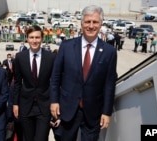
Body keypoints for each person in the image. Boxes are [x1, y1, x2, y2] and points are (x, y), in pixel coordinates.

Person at [50, 5, 117, 141]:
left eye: (95, 22)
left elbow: (109, 84)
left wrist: (106, 112)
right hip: (67, 109)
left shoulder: (110, 52)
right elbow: (55, 77)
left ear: (101, 24)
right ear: (81, 24)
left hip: (93, 113)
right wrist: (54, 101)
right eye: (87, 22)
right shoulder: (66, 46)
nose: (91, 26)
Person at [13, 25, 56, 141]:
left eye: (37, 37)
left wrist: (55, 102)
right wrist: (15, 104)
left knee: (41, 138)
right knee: (28, 138)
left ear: (42, 38)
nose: (34, 41)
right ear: (27, 38)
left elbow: (55, 83)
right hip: (26, 105)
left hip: (44, 106)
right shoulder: (20, 57)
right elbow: (17, 82)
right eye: (31, 37)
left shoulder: (51, 57)